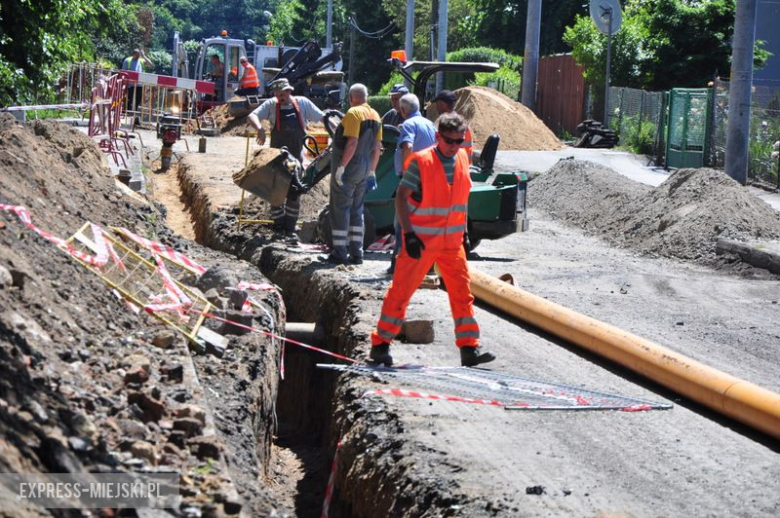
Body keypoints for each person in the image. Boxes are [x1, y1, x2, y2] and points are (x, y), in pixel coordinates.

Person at [369, 113, 495, 368]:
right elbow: (402, 197)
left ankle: (469, 349)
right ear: (438, 137)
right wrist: (409, 235)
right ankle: (380, 344)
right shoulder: (421, 161)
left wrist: (465, 232)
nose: (454, 146)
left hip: (452, 242)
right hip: (422, 240)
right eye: (449, 141)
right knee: (401, 292)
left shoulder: (461, 157)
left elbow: (461, 196)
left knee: (462, 293)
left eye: (459, 141)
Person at [247, 78, 329, 241]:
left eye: (282, 93)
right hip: (277, 158)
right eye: (277, 94)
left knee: (294, 194)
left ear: (289, 91)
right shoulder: (271, 105)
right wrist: (260, 129)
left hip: (295, 160)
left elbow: (323, 118)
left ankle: (290, 230)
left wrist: (337, 130)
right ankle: (279, 228)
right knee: (276, 194)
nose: (279, 96)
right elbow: (252, 115)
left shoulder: (303, 104)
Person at [323, 83, 382, 265]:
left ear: (350, 98)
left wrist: (341, 167)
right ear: (367, 97)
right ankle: (357, 253)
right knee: (357, 210)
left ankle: (339, 253)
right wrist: (372, 171)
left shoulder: (353, 113)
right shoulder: (375, 115)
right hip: (365, 167)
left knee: (340, 208)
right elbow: (377, 148)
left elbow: (352, 143)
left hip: (351, 166)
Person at [387, 92, 437, 274]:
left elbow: (407, 146)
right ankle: (427, 266)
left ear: (402, 109)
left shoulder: (408, 125)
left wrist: (408, 173)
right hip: (430, 178)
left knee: (402, 221)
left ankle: (399, 265)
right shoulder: (430, 124)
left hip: (413, 179)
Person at [432, 89, 474, 163]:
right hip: (463, 164)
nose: (436, 107)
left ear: (442, 104)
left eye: (437, 104)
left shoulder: (447, 125)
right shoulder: (461, 122)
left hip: (453, 164)